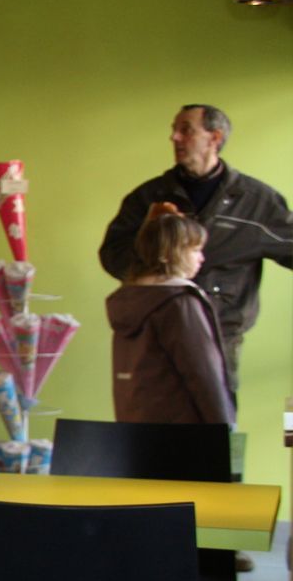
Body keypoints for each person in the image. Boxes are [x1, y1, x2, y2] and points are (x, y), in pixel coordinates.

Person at [98, 104, 293, 397]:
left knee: (216, 425)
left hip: (221, 337)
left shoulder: (257, 202)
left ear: (215, 138)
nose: (174, 137)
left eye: (186, 130)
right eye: (174, 130)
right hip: (154, 333)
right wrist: (158, 265)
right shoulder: (149, 198)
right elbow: (113, 254)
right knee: (152, 422)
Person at [106, 210, 233, 426]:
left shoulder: (129, 299)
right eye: (195, 249)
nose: (202, 258)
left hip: (137, 426)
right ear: (169, 252)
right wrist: (224, 426)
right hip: (183, 431)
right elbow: (203, 374)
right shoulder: (179, 303)